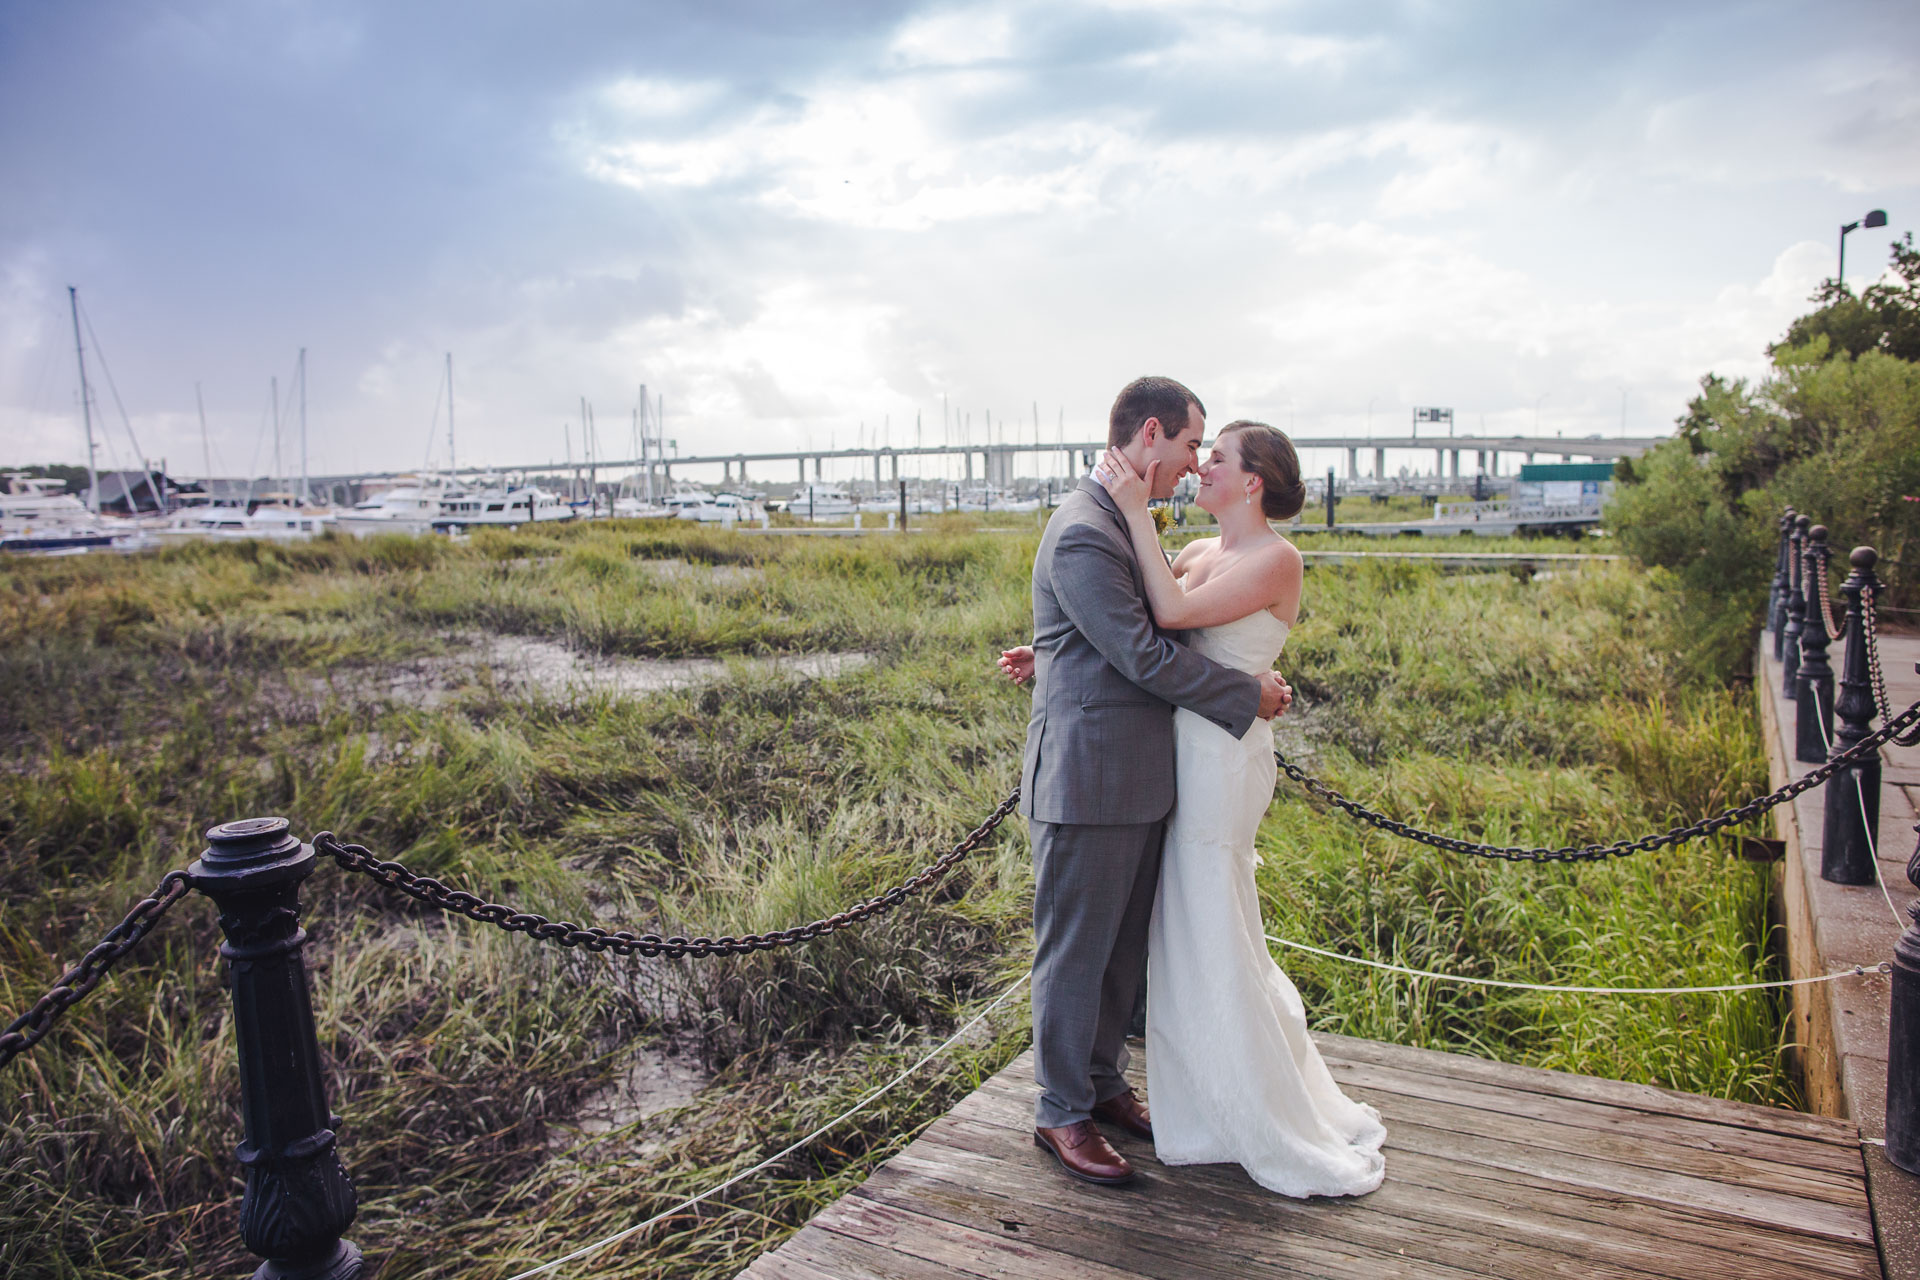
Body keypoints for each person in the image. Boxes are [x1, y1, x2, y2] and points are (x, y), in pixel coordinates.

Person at [999, 377, 1294, 1187]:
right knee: (1074, 953)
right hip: (1088, 781)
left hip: (1140, 777)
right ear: (1154, 433)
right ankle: (1060, 1112)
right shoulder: (1086, 531)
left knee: (1122, 953)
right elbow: (1139, 653)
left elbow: (1130, 627)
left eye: (1207, 452)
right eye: (1193, 445)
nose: (1195, 462)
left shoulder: (1122, 520)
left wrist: (1051, 651)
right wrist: (1246, 696)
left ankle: (1101, 1085)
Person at [1091, 419, 1386, 1197]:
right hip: (1179, 748)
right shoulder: (1195, 552)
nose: (1201, 468)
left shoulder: (1275, 558)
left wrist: (1129, 511)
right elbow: (1134, 623)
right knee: (1182, 921)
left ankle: (1250, 1110)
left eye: (1216, 459)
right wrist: (1050, 651)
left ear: (1253, 481)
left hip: (1223, 757)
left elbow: (1175, 617)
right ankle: (1204, 1099)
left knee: (1210, 914)